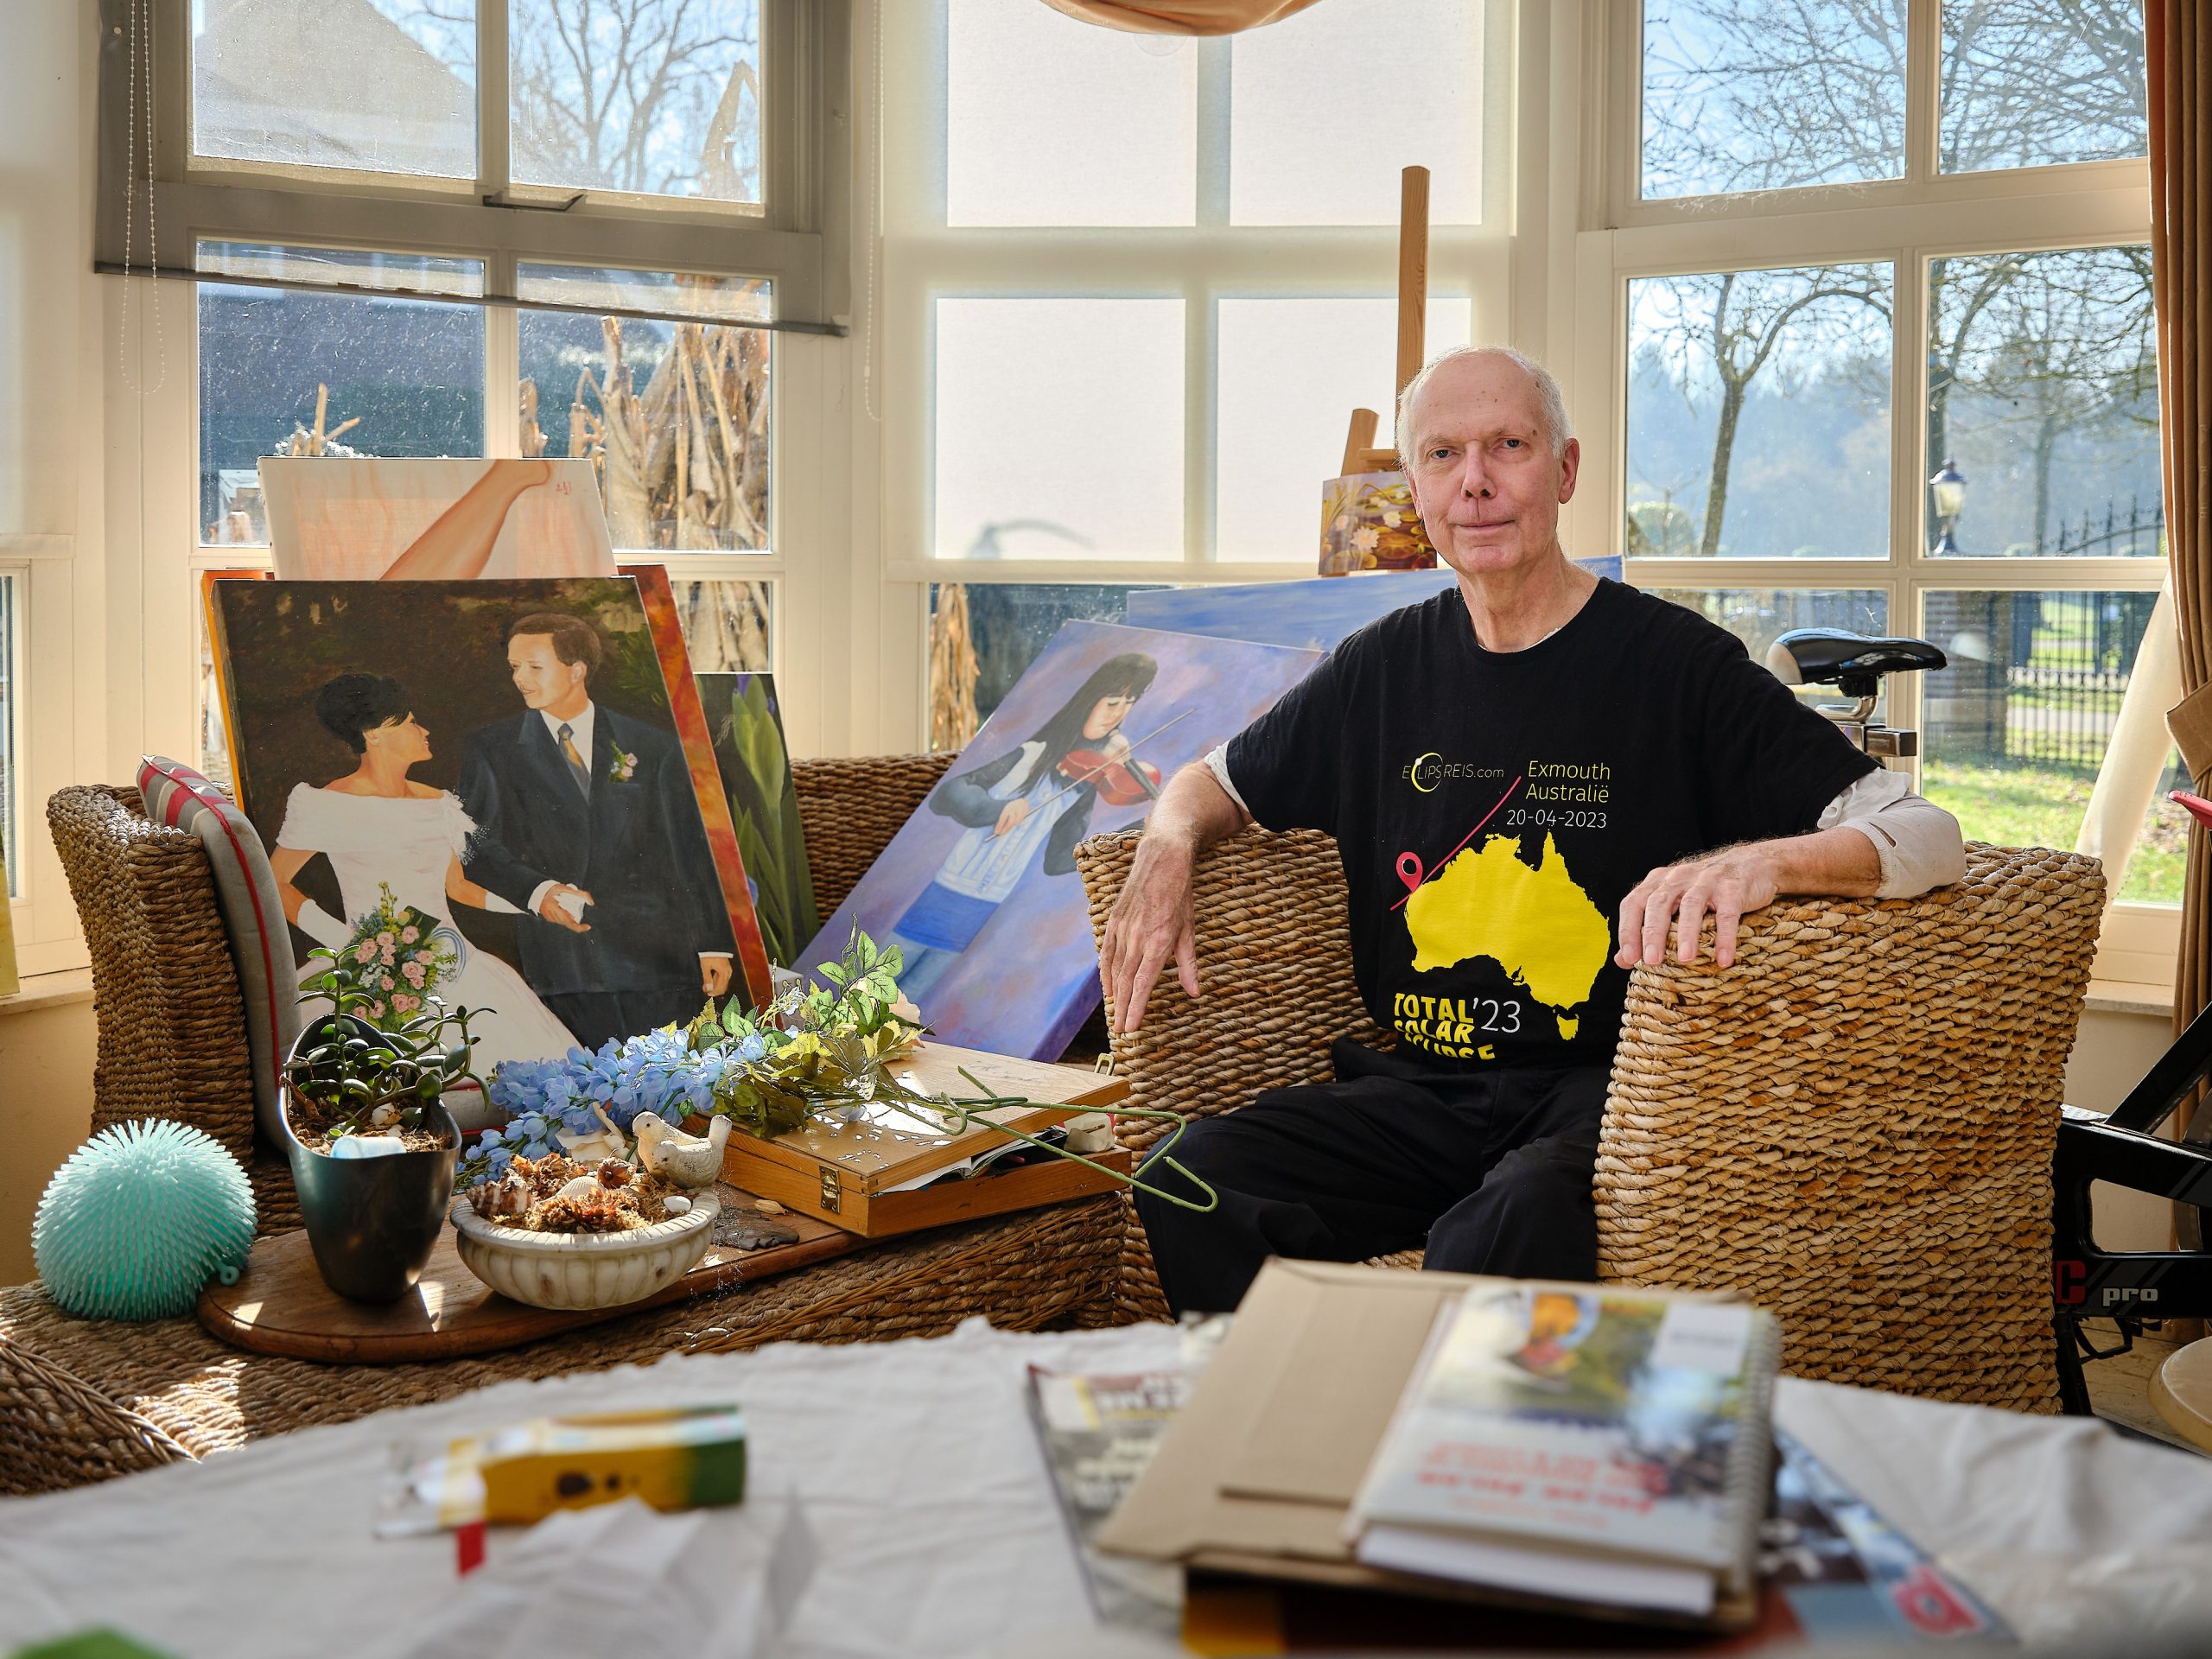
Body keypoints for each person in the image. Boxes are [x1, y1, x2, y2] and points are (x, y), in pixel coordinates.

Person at [1099, 345, 1966, 1315]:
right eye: (1442, 455)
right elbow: (1213, 780)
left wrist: (1762, 865)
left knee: (1512, 1214)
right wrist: (1167, 844)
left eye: (1507, 446)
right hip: (1418, 1092)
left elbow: (1924, 830)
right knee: (1187, 1176)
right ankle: (1311, 1392)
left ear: (1564, 470)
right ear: (1417, 490)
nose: (1474, 482)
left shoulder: (1676, 665)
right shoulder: (1378, 669)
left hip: (1607, 1096)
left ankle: (1457, 1410)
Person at [270, 674, 584, 1116]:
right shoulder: (327, 803)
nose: (425, 731)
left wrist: (537, 906)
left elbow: (458, 888)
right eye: (411, 722)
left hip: (458, 963)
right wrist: (349, 945)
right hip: (368, 969)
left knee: (518, 1080)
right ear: (374, 733)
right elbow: (274, 881)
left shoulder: (438, 803)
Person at [456, 612, 736, 1050]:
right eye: (514, 667)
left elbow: (689, 852)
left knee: (672, 1080)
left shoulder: (652, 745)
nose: (520, 679)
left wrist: (711, 944)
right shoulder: (492, 748)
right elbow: (473, 846)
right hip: (565, 962)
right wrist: (539, 892)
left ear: (577, 670)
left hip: (658, 957)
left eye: (534, 667)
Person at [889, 652, 1159, 1008]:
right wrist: (996, 808)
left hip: (989, 900)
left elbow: (1061, 859)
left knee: (914, 993)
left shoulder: (1082, 784)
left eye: (1128, 704)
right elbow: (949, 794)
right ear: (1088, 701)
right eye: (1111, 702)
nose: (1118, 715)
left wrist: (1141, 827)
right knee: (880, 979)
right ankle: (833, 1033)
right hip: (950, 887)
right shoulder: (1031, 755)